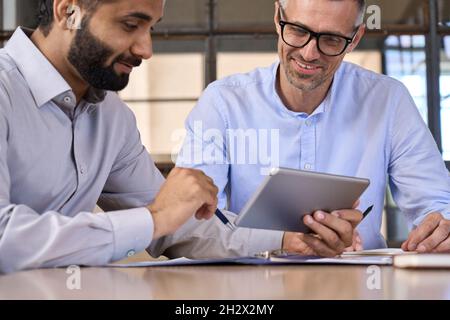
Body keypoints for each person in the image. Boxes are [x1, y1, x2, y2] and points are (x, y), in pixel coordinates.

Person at [175, 0, 450, 256]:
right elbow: (192, 224)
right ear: (277, 18)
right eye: (297, 30)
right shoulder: (223, 103)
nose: (309, 53)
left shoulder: (388, 100)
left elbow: (437, 205)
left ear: (354, 39)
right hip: (252, 287)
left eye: (330, 39)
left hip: (360, 284)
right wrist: (283, 241)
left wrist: (440, 229)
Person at [0, 0, 224, 274]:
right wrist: (154, 219)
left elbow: (180, 226)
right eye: (130, 25)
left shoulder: (112, 116)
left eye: (151, 28)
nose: (146, 49)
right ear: (68, 13)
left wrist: (283, 239)